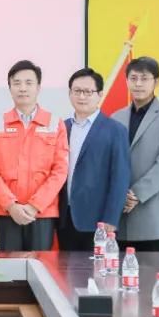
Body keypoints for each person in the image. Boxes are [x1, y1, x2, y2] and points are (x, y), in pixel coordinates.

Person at [0, 60, 69, 251]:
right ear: (10, 87)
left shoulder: (55, 124)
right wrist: (11, 205)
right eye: (17, 83)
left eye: (29, 83)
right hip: (7, 212)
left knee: (40, 264)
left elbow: (60, 171)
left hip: (42, 213)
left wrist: (34, 206)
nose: (22, 88)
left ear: (38, 87)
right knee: (9, 266)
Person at [110, 57, 159, 252]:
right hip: (119, 217)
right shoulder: (116, 118)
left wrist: (136, 194)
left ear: (156, 82)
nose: (138, 84)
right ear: (126, 81)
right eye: (133, 78)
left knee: (154, 270)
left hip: (153, 216)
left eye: (144, 78)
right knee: (119, 270)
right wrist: (120, 195)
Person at [57, 68, 131, 252]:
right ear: (70, 93)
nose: (82, 96)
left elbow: (120, 178)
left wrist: (111, 218)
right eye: (77, 91)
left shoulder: (115, 130)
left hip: (98, 221)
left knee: (97, 268)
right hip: (65, 218)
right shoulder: (62, 128)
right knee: (66, 268)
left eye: (88, 92)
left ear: (99, 95)